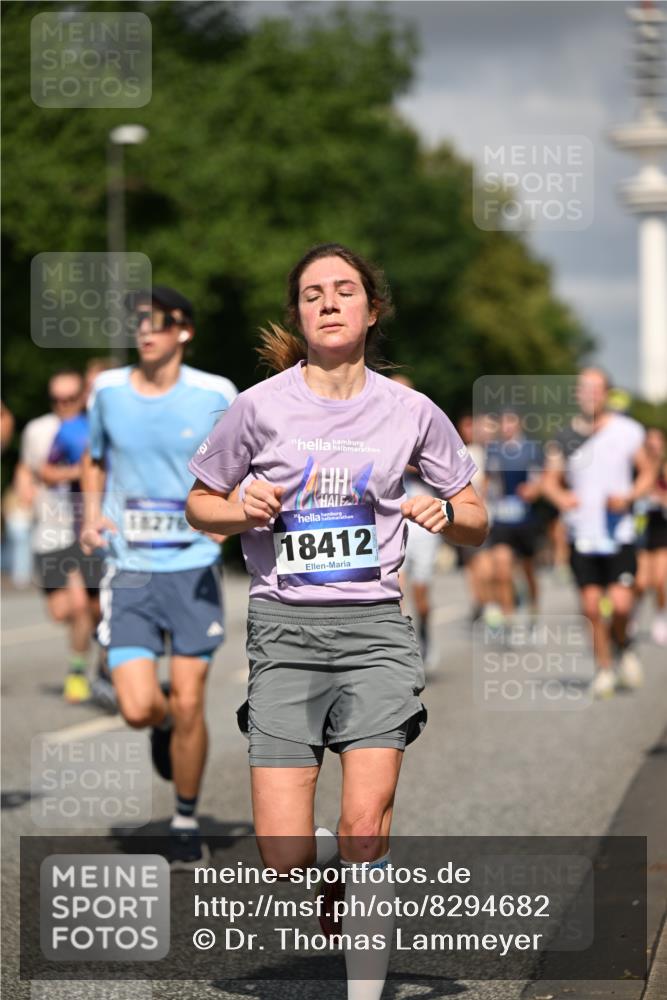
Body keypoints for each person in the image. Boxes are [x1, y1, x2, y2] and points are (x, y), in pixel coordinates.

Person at [186, 243, 488, 1000]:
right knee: (283, 855)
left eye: (345, 290)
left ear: (371, 309)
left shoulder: (410, 411)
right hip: (284, 633)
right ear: (297, 314)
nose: (328, 302)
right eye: (312, 293)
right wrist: (238, 507)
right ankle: (332, 874)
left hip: (375, 633)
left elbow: (476, 518)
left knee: (364, 825)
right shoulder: (258, 407)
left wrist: (446, 514)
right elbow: (199, 504)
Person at [80, 285, 237, 866]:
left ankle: (184, 819)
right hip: (130, 568)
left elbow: (243, 459)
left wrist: (229, 513)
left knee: (193, 701)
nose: (145, 330)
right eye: (138, 321)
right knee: (137, 707)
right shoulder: (107, 391)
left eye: (159, 320)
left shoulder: (215, 393)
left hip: (193, 566)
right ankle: (162, 720)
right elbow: (94, 457)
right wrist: (92, 513)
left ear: (184, 330)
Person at [541, 368, 655, 698]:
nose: (590, 394)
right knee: (591, 609)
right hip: (583, 535)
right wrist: (561, 497)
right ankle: (604, 669)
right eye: (584, 388)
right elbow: (549, 481)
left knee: (620, 606)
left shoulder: (628, 431)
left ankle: (624, 644)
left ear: (607, 393)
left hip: (619, 534)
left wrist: (629, 497)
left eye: (596, 388)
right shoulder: (564, 437)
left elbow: (648, 472)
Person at [14, 370, 100, 702]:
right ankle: (95, 649)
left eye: (70, 398)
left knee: (84, 605)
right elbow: (29, 466)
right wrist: (23, 487)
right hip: (49, 531)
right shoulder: (38, 430)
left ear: (82, 397)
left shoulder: (93, 427)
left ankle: (79, 671)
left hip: (83, 532)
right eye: (56, 399)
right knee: (62, 611)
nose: (63, 405)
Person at [391, 375, 442, 671]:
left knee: (421, 598)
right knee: (393, 592)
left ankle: (425, 634)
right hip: (392, 523)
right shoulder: (371, 426)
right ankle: (399, 653)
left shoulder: (425, 428)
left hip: (423, 526)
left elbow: (438, 470)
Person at [484, 410, 543, 626]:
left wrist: (533, 490)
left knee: (528, 571)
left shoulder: (531, 449)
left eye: (511, 421)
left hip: (525, 519)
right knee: (502, 570)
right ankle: (508, 618)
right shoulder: (493, 450)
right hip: (502, 519)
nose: (507, 426)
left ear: (519, 424)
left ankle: (533, 608)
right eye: (503, 422)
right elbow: (487, 481)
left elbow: (542, 480)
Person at [633, 427, 667, 645]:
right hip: (642, 529)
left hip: (662, 529)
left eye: (657, 440)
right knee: (641, 582)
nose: (653, 444)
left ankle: (661, 616)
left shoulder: (664, 468)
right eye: (650, 440)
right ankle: (634, 615)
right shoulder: (638, 468)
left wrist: (659, 496)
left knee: (660, 581)